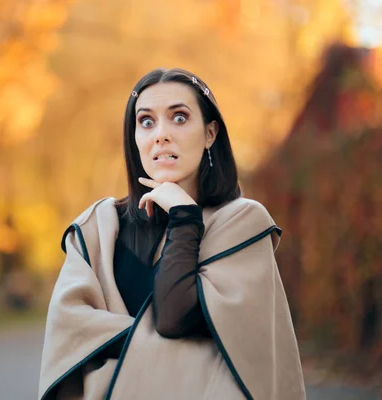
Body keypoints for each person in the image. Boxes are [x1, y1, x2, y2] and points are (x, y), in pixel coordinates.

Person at [38, 68, 305, 400]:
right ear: (134, 138)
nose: (161, 134)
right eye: (146, 122)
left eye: (179, 118)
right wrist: (180, 356)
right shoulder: (98, 229)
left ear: (210, 133)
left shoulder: (242, 223)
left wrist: (185, 217)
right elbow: (69, 335)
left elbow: (173, 319)